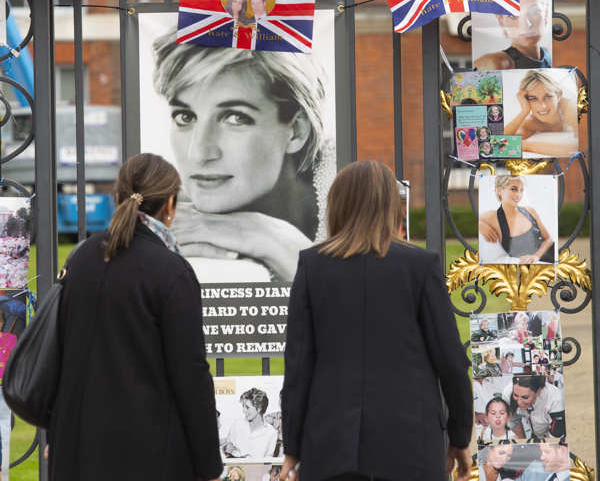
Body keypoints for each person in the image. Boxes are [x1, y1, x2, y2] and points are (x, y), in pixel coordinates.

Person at [280, 161, 473, 481]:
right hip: (410, 442)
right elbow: (451, 360)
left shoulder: (313, 266)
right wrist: (460, 435)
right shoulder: (420, 266)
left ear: (337, 204)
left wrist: (292, 447)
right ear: (391, 206)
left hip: (331, 443)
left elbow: (299, 364)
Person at [48, 153, 223, 481]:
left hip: (76, 448)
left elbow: (59, 351)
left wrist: (54, 429)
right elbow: (190, 374)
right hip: (149, 453)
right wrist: (210, 465)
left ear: (117, 197)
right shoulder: (171, 271)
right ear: (170, 204)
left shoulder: (81, 257)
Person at [152, 35, 335, 284]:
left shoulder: (349, 197)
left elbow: (356, 310)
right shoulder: (168, 224)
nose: (199, 153)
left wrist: (273, 240)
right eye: (185, 117)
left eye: (236, 118)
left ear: (297, 130)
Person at [473, 0, 552, 70]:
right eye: (513, 15)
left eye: (534, 11)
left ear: (546, 13)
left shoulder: (548, 55)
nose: (526, 25)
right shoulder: (496, 62)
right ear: (501, 21)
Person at [479, 175, 555, 264]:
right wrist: (480, 225)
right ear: (499, 190)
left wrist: (536, 256)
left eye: (521, 190)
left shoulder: (529, 211)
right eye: (513, 189)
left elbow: (548, 239)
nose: (518, 195)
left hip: (551, 257)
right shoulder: (492, 216)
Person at [503, 70, 578, 157]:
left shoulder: (569, 107)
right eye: (533, 99)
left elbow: (580, 147)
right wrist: (524, 111)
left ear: (558, 95)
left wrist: (525, 146)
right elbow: (499, 145)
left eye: (548, 97)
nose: (543, 106)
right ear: (526, 100)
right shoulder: (531, 123)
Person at [502, 375, 565, 440]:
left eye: (525, 397)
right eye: (515, 395)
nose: (519, 403)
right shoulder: (507, 393)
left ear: (538, 391)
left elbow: (556, 436)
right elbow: (514, 422)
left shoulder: (556, 400)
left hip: (552, 432)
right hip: (535, 431)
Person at [221, 388, 278, 459]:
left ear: (259, 408)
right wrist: (226, 448)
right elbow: (226, 449)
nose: (244, 411)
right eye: (243, 406)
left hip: (258, 470)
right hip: (235, 468)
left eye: (247, 407)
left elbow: (268, 463)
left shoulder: (271, 433)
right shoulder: (237, 425)